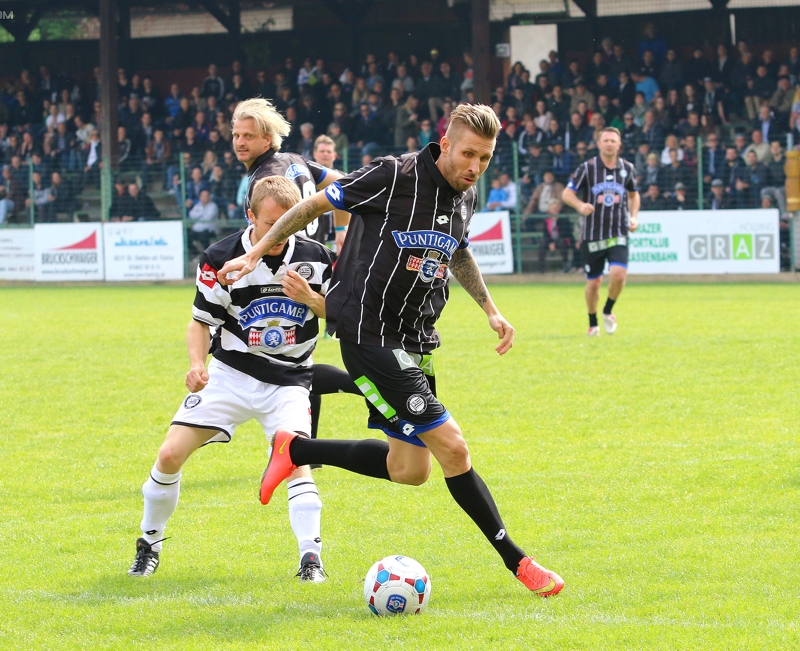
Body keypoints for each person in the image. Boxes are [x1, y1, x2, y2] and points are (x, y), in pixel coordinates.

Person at [217, 103, 565, 598]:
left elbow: (458, 249)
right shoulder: (393, 174)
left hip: (416, 341)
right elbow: (313, 204)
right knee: (454, 448)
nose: (475, 167)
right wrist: (255, 251)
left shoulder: (464, 195)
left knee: (410, 470)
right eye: (468, 154)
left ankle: (295, 448)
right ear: (444, 143)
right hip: (369, 336)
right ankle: (521, 563)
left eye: (485, 159)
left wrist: (490, 307)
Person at [128, 176, 335, 582]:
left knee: (296, 463)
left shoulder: (318, 257)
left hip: (291, 382)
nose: (279, 234)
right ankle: (148, 545)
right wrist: (196, 363)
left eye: (289, 223)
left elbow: (341, 316)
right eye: (270, 223)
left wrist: (311, 299)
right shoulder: (221, 257)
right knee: (169, 455)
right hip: (231, 374)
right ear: (250, 216)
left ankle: (311, 559)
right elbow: (200, 323)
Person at [230, 98, 359, 440]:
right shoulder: (296, 161)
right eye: (236, 135)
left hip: (287, 271)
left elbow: (270, 230)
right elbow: (344, 184)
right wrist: (342, 231)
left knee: (286, 362)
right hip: (311, 268)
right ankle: (307, 445)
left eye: (248, 136)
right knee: (300, 358)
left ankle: (367, 388)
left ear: (267, 140)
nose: (240, 142)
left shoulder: (266, 180)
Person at [561, 127, 640, 336]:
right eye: (605, 140)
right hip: (592, 235)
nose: (609, 144)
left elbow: (633, 196)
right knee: (594, 282)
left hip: (618, 232)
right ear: (599, 144)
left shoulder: (628, 169)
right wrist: (579, 206)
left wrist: (634, 217)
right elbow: (567, 193)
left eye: (613, 140)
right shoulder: (587, 168)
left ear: (619, 144)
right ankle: (593, 322)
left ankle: (608, 310)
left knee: (618, 274)